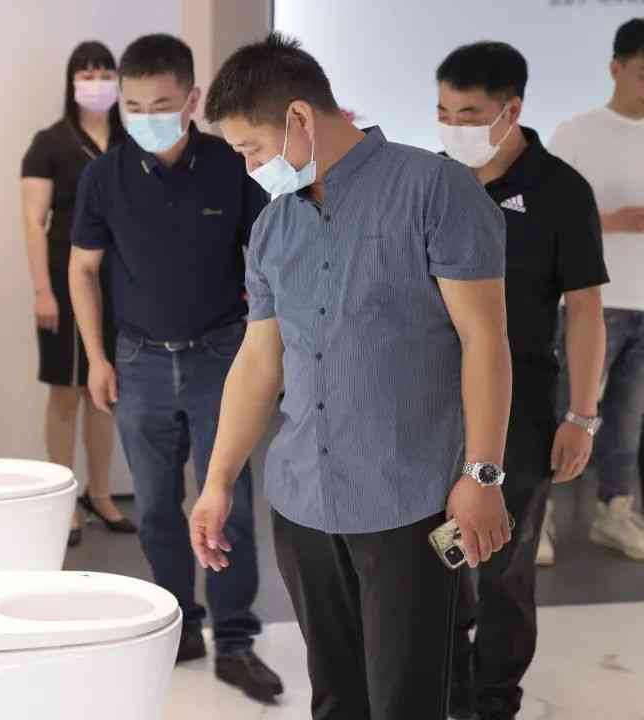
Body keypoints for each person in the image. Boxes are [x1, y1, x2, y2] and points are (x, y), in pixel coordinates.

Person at [192, 33, 512, 720]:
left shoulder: (434, 190)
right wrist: (218, 481)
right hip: (303, 503)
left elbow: (485, 340)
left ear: (299, 119)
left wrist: (483, 475)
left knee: (406, 701)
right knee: (336, 699)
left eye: (251, 148)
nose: (249, 167)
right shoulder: (273, 227)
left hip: (410, 504)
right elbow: (258, 362)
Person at [69, 33, 281, 702]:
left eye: (161, 105)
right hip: (138, 362)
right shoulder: (104, 176)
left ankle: (236, 639)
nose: (146, 117)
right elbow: (82, 269)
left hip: (221, 357)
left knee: (230, 501)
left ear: (192, 99)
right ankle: (179, 626)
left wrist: (265, 345)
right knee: (158, 506)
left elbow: (269, 257)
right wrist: (96, 357)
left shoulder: (229, 166)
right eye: (133, 106)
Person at [436, 42, 608, 720]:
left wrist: (582, 415)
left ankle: (493, 701)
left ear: (511, 111)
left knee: (504, 570)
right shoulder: (435, 179)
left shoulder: (561, 190)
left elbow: (585, 310)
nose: (453, 127)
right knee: (437, 561)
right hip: (433, 405)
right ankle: (446, 691)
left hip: (524, 410)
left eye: (469, 114)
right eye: (443, 112)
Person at [21, 42, 136, 547]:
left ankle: (101, 494)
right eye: (86, 73)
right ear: (71, 82)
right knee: (66, 392)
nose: (96, 81)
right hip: (65, 282)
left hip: (121, 284)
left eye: (104, 72)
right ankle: (62, 500)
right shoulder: (49, 143)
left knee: (104, 392)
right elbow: (33, 221)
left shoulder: (132, 140)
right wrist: (42, 291)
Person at [545, 17, 644, 563]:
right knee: (566, 411)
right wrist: (613, 221)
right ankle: (538, 514)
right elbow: (546, 218)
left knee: (628, 419)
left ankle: (616, 511)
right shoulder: (576, 134)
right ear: (616, 68)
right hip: (590, 302)